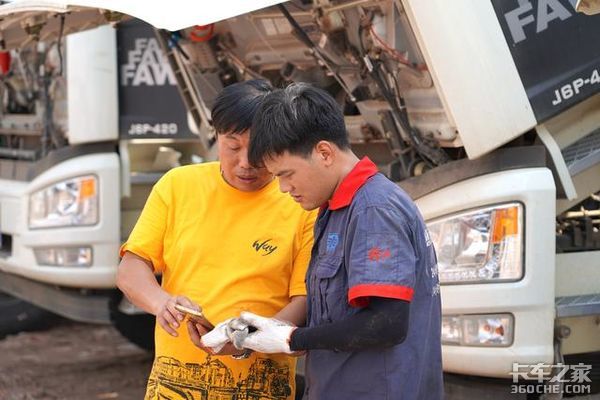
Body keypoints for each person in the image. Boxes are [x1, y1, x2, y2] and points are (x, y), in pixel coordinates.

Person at [240, 83, 443, 400]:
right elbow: (335, 314)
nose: (283, 188)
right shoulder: (334, 207)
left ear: (324, 153)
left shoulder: (374, 209)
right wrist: (260, 331)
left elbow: (387, 323)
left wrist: (292, 339)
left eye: (287, 173)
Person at [117, 80, 317, 400]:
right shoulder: (178, 186)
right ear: (216, 135)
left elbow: (304, 302)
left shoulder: (300, 201)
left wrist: (246, 338)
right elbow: (131, 267)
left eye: (259, 149)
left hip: (261, 386)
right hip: (173, 385)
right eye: (233, 146)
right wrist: (162, 303)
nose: (245, 162)